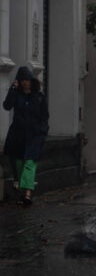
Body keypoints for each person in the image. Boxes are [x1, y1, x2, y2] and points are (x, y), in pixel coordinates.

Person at [3, 66, 49, 206]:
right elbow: (7, 106)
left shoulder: (39, 97)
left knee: (29, 163)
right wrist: (12, 88)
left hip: (34, 136)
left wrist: (42, 132)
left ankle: (28, 194)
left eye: (27, 79)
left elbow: (45, 116)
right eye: (22, 80)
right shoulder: (16, 95)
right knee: (19, 165)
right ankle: (22, 193)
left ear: (31, 80)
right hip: (18, 136)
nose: (25, 82)